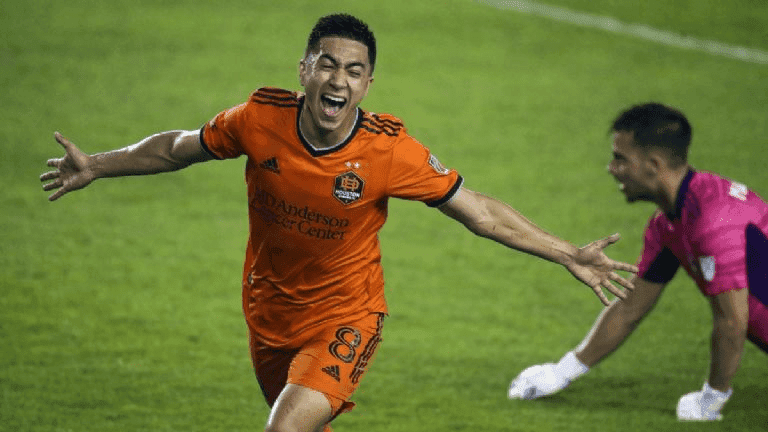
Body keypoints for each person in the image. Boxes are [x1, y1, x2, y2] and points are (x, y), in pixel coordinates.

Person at [41, 13, 637, 432]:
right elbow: (176, 148)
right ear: (304, 69)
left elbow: (478, 211)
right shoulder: (258, 121)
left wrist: (567, 252)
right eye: (327, 66)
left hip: (346, 317)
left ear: (367, 84)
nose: (338, 81)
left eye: (354, 71)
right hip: (269, 314)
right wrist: (98, 164)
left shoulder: (389, 151)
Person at [508, 102, 768, 422]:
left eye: (620, 159)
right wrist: (562, 372)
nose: (611, 168)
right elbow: (630, 307)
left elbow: (731, 322)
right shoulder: (669, 222)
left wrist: (712, 397)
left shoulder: (714, 221)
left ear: (653, 165)